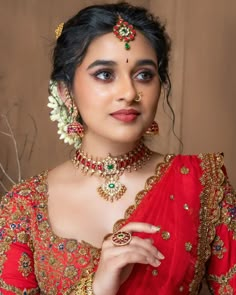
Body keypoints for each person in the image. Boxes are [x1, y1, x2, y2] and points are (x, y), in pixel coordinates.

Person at [0, 2, 235, 295]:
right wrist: (97, 288)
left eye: (144, 75)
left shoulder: (204, 184)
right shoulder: (25, 207)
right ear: (65, 91)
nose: (128, 93)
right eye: (104, 74)